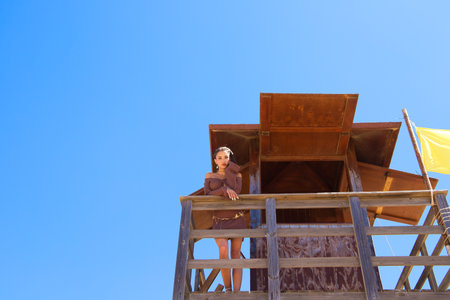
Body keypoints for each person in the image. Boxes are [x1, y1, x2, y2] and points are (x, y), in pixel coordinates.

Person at [204, 146, 245, 293]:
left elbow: (237, 191)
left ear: (230, 159)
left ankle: (237, 292)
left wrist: (230, 171)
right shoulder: (210, 176)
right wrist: (223, 190)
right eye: (219, 157)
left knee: (235, 255)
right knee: (223, 251)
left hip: (237, 219)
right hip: (219, 220)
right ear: (215, 160)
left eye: (226, 157)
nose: (223, 160)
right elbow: (208, 194)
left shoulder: (237, 175)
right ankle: (228, 289)